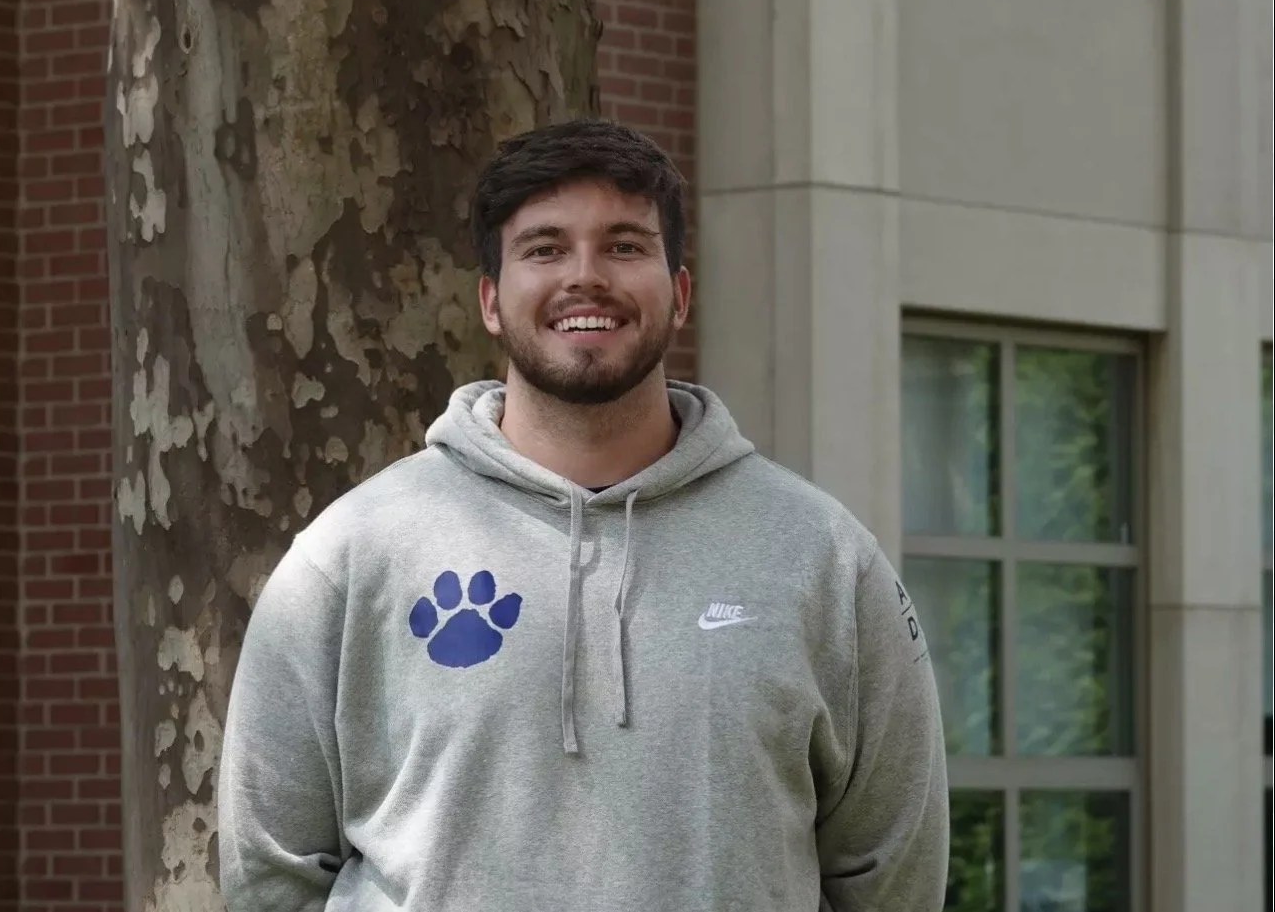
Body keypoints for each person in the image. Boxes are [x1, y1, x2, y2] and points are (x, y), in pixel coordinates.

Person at [218, 118, 949, 912]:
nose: (585, 276)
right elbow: (269, 876)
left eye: (625, 246)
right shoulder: (353, 555)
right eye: (544, 248)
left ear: (680, 292)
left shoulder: (823, 560)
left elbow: (893, 878)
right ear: (492, 300)